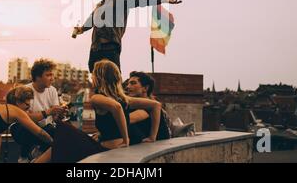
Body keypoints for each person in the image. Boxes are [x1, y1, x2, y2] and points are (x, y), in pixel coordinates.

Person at [34, 59, 162, 163]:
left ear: (99, 77)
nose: (92, 77)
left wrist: (126, 139)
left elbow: (116, 107)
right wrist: (152, 137)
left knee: (64, 134)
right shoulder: (125, 99)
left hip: (105, 149)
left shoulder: (97, 98)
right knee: (62, 142)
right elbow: (156, 105)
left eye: (93, 74)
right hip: (111, 148)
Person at [72, 0, 182, 72]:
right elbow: (91, 20)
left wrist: (163, 0)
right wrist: (81, 29)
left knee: (112, 77)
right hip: (95, 47)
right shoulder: (100, 5)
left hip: (110, 45)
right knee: (96, 78)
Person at [10, 58, 67, 162]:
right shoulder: (25, 90)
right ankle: (27, 156)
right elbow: (24, 118)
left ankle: (36, 154)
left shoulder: (52, 90)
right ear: (37, 77)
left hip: (45, 128)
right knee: (42, 131)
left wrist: (60, 113)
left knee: (62, 134)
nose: (52, 78)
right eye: (48, 75)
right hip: (23, 129)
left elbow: (55, 118)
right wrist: (49, 111)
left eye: (52, 75)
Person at [126, 71, 195, 140]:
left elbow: (129, 119)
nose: (128, 87)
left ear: (145, 88)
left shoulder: (150, 105)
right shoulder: (134, 106)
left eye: (133, 83)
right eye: (128, 84)